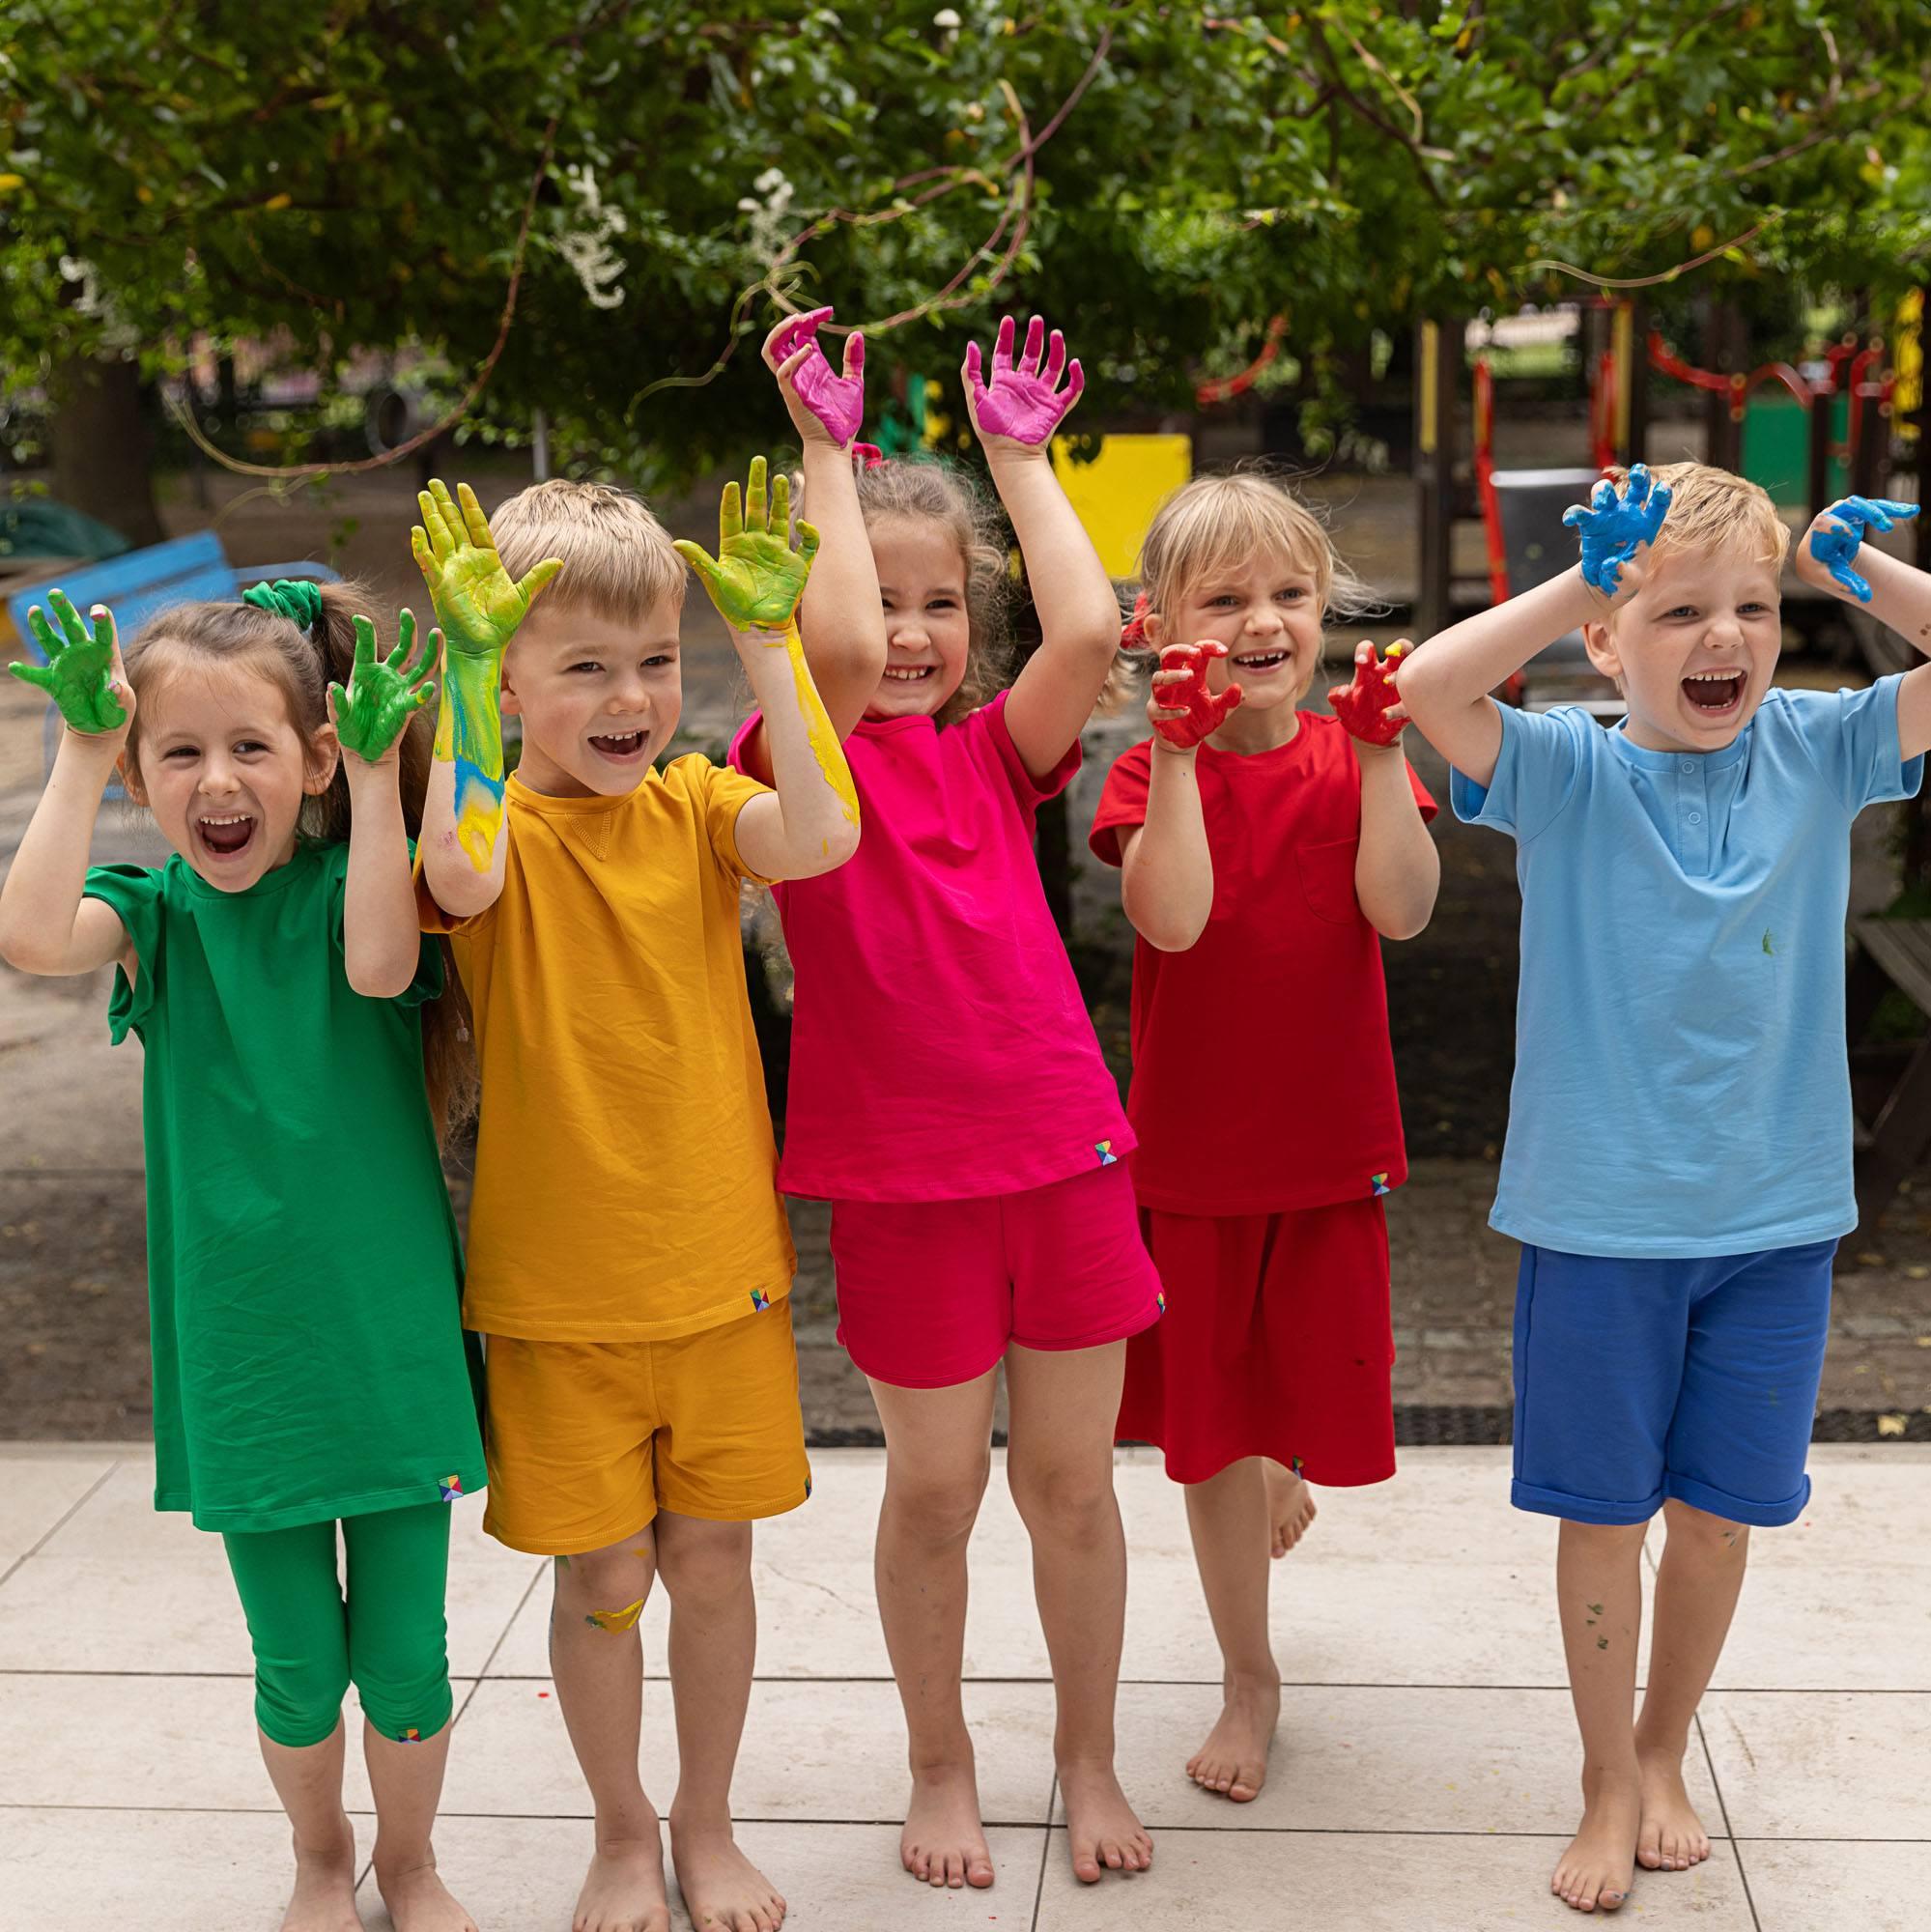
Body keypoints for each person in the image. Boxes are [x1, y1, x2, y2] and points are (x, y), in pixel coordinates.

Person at [1395, 465, 1929, 1915]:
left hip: (1777, 1223)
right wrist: (1587, 577)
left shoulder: (1821, 749)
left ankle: (1665, 1746)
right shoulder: (1569, 771)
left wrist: (1862, 576)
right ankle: (1602, 1774)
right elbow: (1427, 692)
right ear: (1608, 646)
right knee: (1606, 1513)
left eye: (1754, 609)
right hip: (1600, 1224)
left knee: (1719, 1515)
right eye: (1682, 610)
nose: (1727, 638)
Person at [732, 312, 1161, 1891]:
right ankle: (941, 1761)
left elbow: (1089, 639)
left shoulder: (998, 753)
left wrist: (1020, 463)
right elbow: (835, 656)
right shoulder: (792, 752)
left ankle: (1089, 1754)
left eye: (939, 605)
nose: (908, 633)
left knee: (1069, 1490)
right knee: (934, 1486)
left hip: (1064, 1160)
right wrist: (826, 458)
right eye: (883, 598)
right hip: (904, 1187)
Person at [412, 463, 861, 1932]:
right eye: (582, 667)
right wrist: (467, 677)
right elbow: (457, 876)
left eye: (657, 662)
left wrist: (773, 646)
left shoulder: (694, 808)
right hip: (558, 1303)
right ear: (517, 678)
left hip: (722, 1278)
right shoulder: (496, 835)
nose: (630, 698)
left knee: (714, 1566)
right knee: (605, 1574)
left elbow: (826, 835)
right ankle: (619, 1833)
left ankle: (706, 1822)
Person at [0, 581, 486, 1932]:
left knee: (404, 1660)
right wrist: (81, 752)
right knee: (293, 1665)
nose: (217, 781)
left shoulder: (356, 887)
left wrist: (382, 783)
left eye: (253, 748)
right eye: (180, 753)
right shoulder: (150, 912)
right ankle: (321, 1857)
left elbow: (386, 969)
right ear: (146, 776)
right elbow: (32, 938)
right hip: (247, 1360)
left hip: (388, 1350)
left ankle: (412, 1861)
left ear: (316, 757)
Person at [1089, 470, 1438, 1804]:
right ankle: (1251, 1670)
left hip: (1331, 1150)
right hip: (1193, 1158)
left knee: (1310, 1404)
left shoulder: (1355, 752)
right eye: (1222, 598)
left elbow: (1401, 914)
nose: (1261, 622)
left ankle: (1281, 1457)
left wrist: (1388, 756)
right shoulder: (1141, 767)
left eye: (1289, 594)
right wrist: (1178, 755)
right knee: (1208, 1433)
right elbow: (1171, 919)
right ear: (1155, 623)